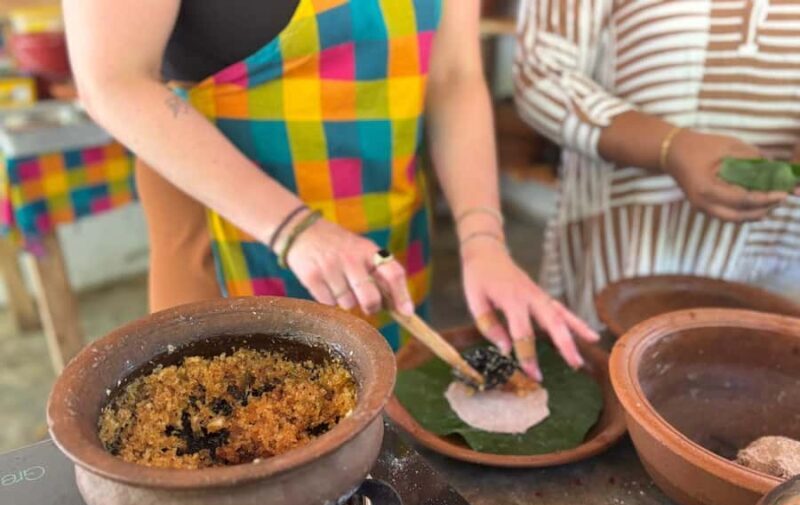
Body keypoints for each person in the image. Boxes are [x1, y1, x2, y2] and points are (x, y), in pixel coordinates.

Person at [64, 0, 598, 379]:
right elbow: (112, 81)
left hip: (381, 224)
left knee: (381, 423)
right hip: (226, 235)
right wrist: (297, 229)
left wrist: (484, 239)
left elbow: (454, 76)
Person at [514, 0, 800, 326]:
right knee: (618, 360)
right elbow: (541, 73)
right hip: (632, 255)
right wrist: (669, 147)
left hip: (787, 257)